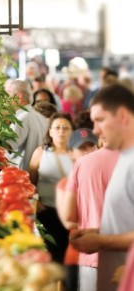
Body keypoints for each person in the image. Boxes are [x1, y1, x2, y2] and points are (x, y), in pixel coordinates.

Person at [69, 83, 134, 291]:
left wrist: (101, 240)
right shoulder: (124, 157)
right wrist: (97, 233)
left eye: (100, 120)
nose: (95, 130)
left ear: (122, 116)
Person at [56, 128, 99, 291]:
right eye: (82, 148)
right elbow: (70, 222)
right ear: (71, 153)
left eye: (91, 146)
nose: (88, 152)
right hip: (79, 255)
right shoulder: (64, 185)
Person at [29, 112, 74, 263]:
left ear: (72, 131)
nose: (61, 131)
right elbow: (30, 183)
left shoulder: (77, 155)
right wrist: (39, 205)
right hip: (46, 212)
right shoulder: (40, 152)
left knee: (68, 257)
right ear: (50, 131)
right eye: (57, 127)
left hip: (71, 216)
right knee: (50, 256)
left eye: (65, 128)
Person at [5, 79, 48, 171]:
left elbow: (5, 147)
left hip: (21, 175)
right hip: (36, 173)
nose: (5, 100)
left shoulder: (21, 119)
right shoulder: (40, 116)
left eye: (8, 95)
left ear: (19, 97)